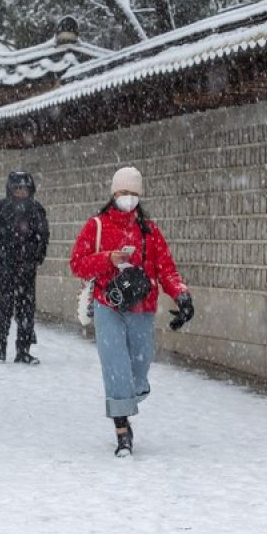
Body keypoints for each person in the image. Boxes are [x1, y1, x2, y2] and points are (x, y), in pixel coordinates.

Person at [69, 166, 195, 457]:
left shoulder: (149, 231)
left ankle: (128, 398)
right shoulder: (96, 226)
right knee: (115, 366)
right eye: (123, 193)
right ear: (114, 193)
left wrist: (182, 295)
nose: (128, 198)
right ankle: (122, 432)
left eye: (133, 194)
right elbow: (77, 264)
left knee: (139, 369)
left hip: (142, 306)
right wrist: (107, 259)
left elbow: (166, 269)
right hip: (107, 305)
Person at [0, 170, 49, 364]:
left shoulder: (36, 210)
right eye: (17, 188)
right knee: (4, 308)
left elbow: (43, 235)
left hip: (27, 268)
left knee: (27, 309)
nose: (21, 192)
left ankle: (23, 351)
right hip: (5, 269)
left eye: (24, 188)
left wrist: (36, 257)